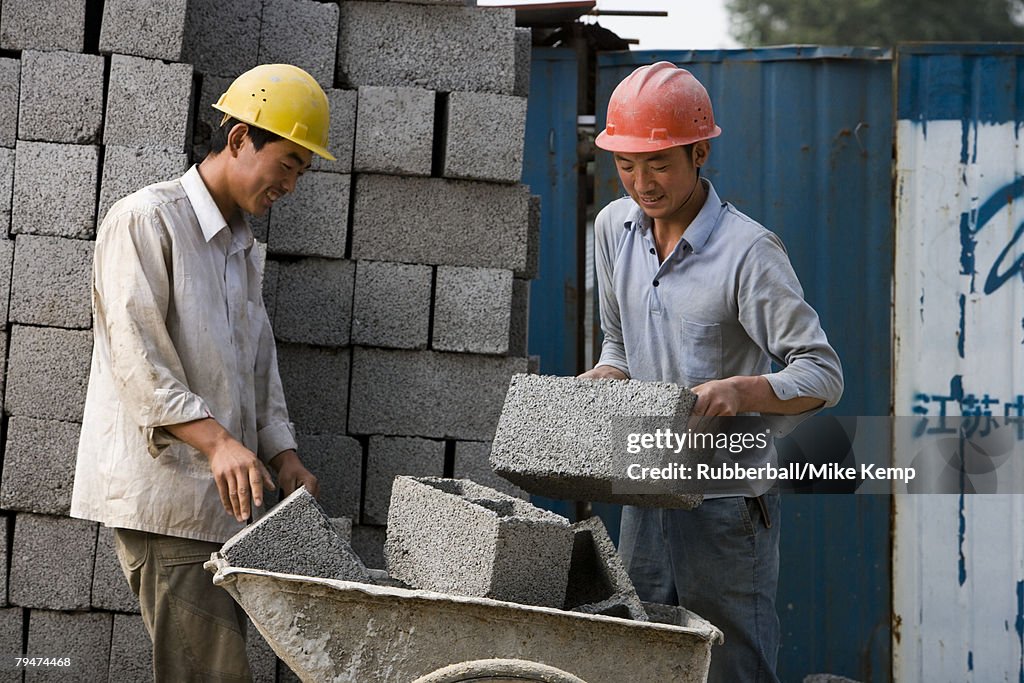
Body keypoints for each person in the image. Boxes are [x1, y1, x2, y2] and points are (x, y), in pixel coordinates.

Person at [582, 62, 843, 682]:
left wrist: (744, 389)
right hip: (644, 481)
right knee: (645, 654)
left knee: (731, 662)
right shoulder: (612, 229)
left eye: (660, 164)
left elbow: (823, 374)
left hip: (726, 499)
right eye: (626, 165)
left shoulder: (749, 253)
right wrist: (602, 379)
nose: (641, 183)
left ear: (700, 152)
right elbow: (617, 344)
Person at [71, 64, 333, 681]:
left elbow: (257, 363)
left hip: (223, 509)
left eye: (302, 170)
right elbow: (138, 360)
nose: (291, 185)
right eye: (290, 163)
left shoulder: (238, 244)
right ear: (240, 138)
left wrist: (282, 452)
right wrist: (216, 443)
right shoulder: (146, 219)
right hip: (171, 507)